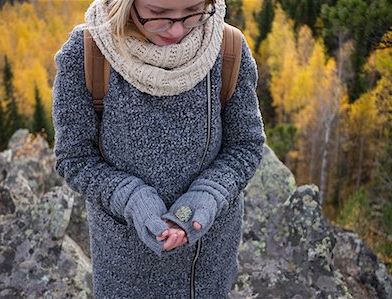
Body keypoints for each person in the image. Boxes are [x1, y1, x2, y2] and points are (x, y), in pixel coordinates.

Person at [52, 0, 266, 298]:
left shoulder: (227, 48)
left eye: (192, 13)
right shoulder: (87, 52)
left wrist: (207, 196)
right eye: (158, 15)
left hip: (207, 264)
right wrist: (131, 197)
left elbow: (246, 145)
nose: (177, 30)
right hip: (123, 268)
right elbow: (74, 158)